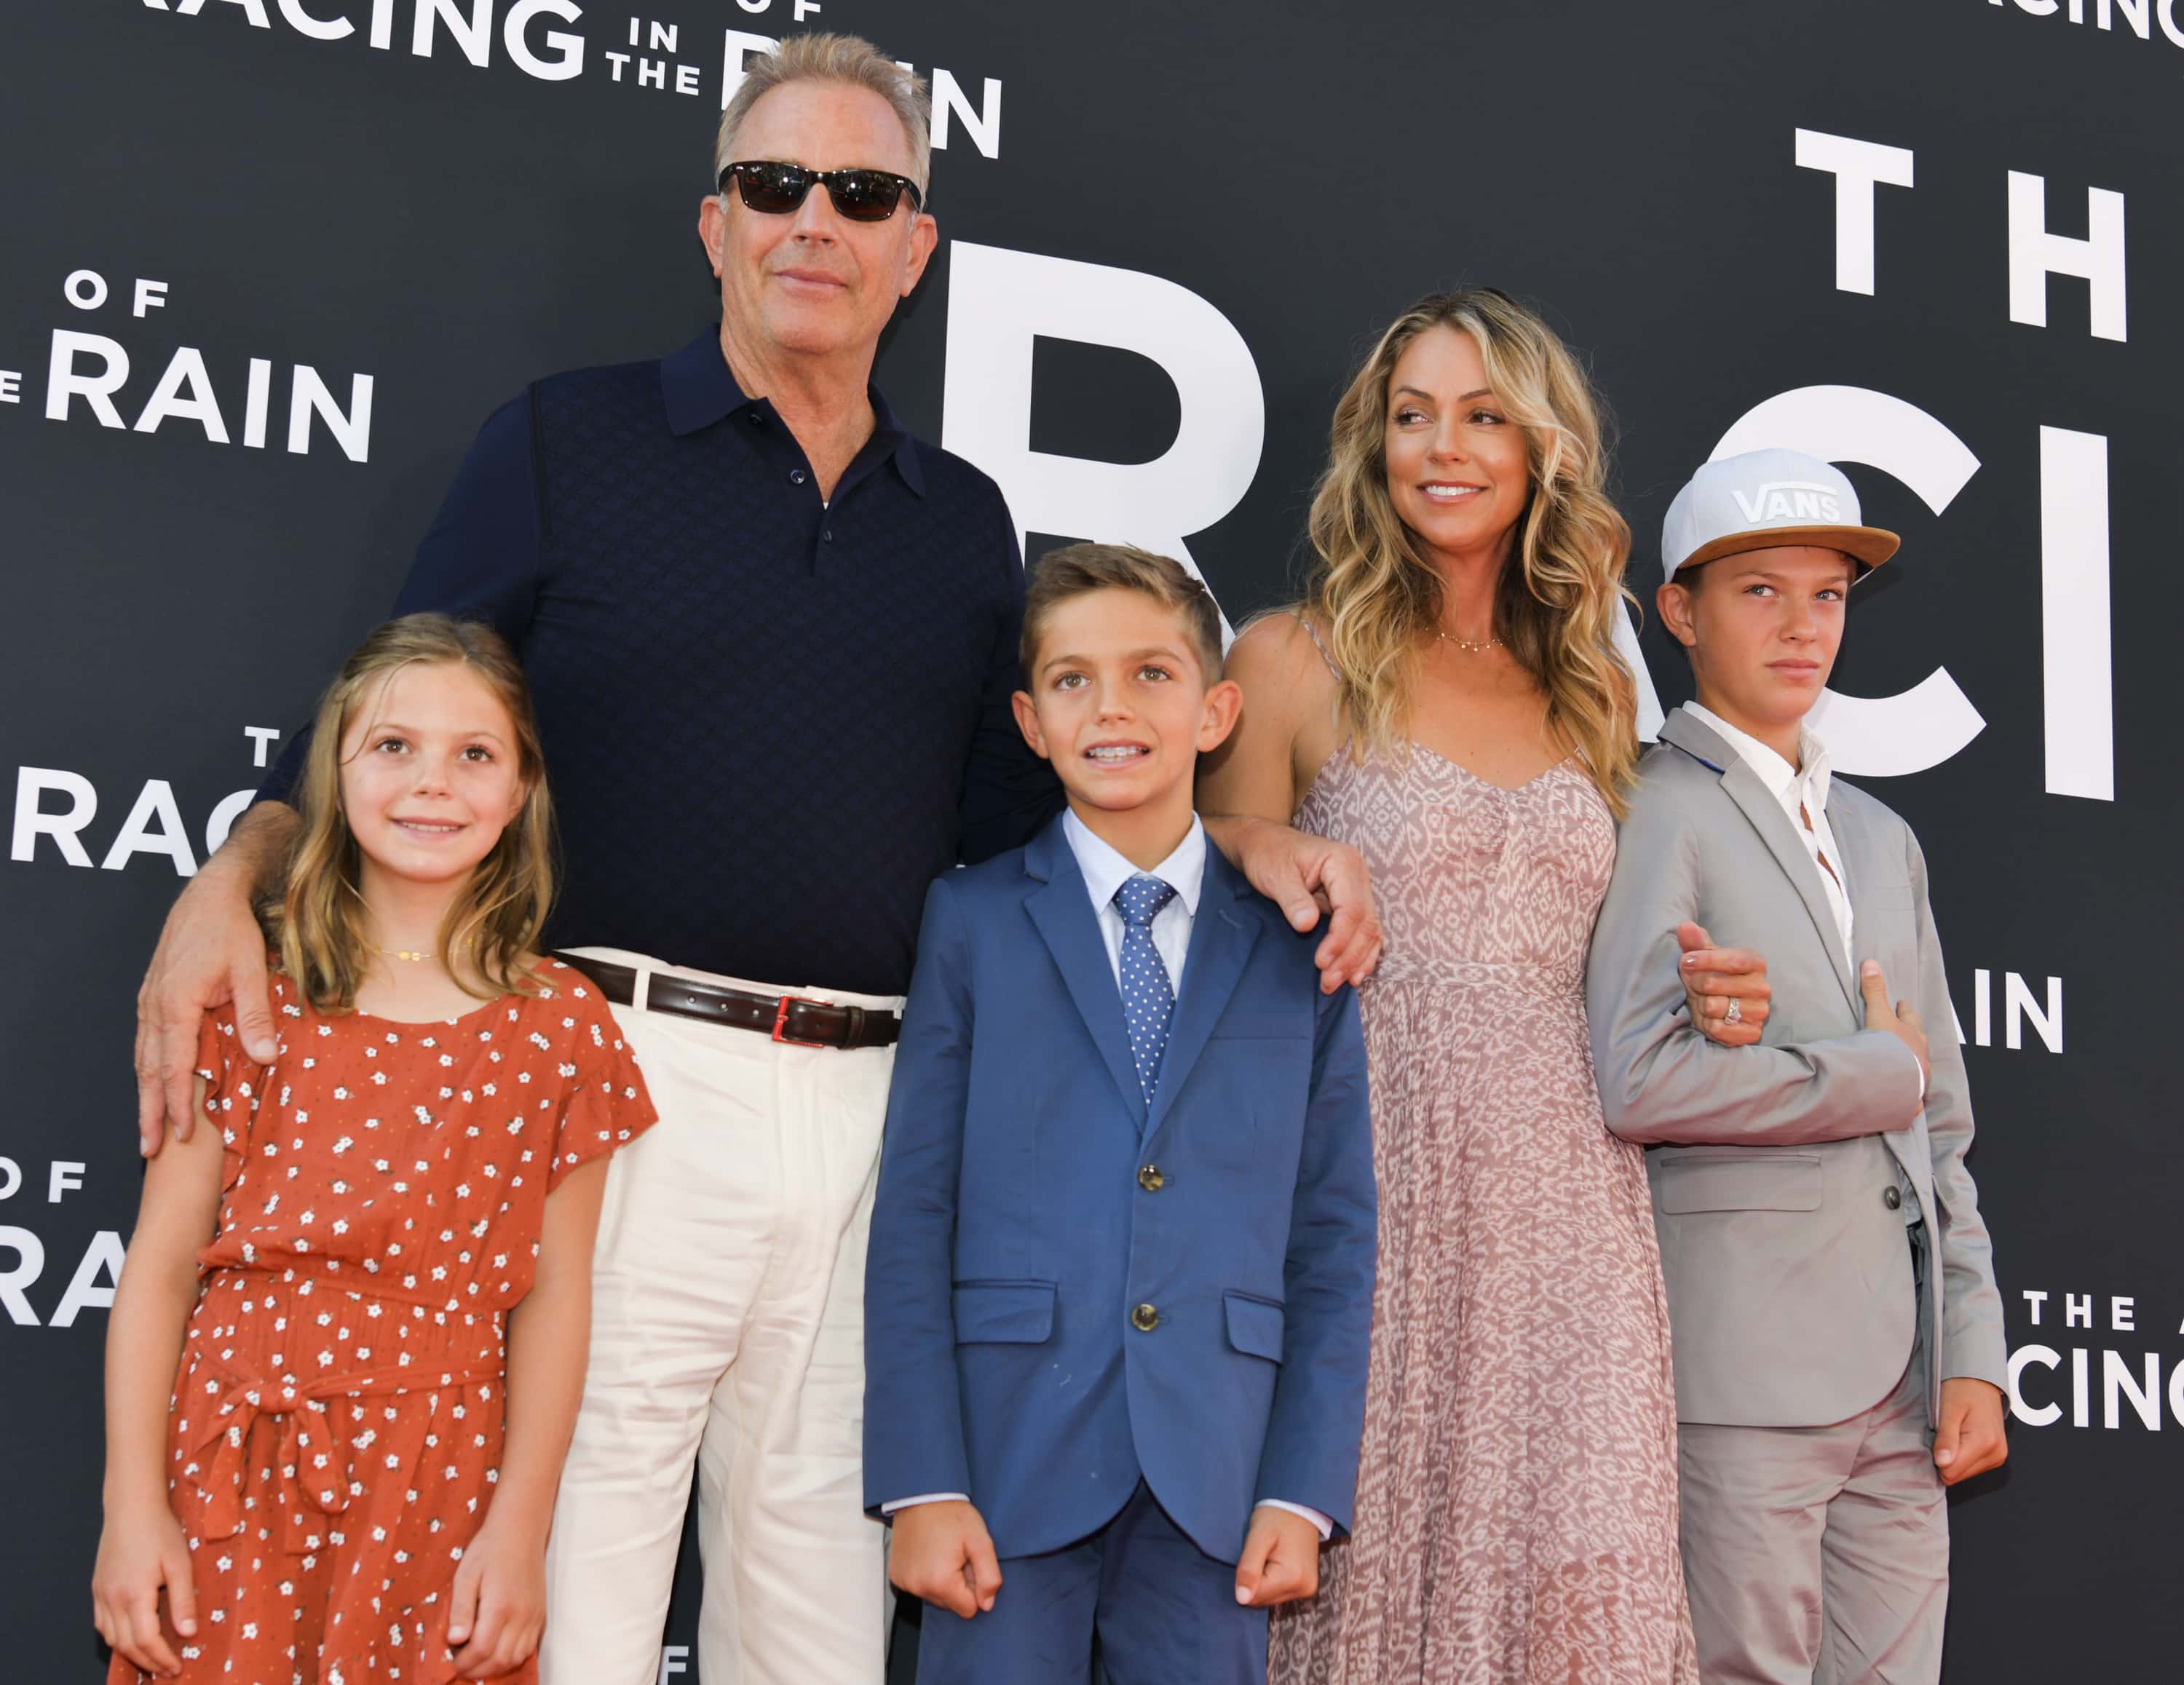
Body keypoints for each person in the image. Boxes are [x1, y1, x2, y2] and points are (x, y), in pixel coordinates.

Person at [125, 34, 1380, 1684]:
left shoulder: (961, 522)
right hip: (615, 1079)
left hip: (878, 1113)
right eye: (774, 184)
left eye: (864, 193)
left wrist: (1239, 833)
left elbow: (1032, 839)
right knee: (571, 1605)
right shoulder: (568, 443)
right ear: (714, 221)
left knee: (819, 1633)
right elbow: (388, 717)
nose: (816, 221)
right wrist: (232, 878)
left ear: (915, 250)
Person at [1203, 290, 1770, 1682]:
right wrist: (1268, 837)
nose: (1441, 448)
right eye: (1412, 416)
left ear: (1540, 454)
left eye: (1481, 416)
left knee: (1576, 1559)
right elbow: (1176, 864)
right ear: (1372, 447)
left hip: (1576, 1204)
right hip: (1368, 1166)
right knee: (1372, 1558)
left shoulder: (1598, 695)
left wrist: (1709, 1001)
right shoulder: (1293, 656)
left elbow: (1620, 952)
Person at [92, 615, 656, 1685]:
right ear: (334, 770)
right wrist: (133, 1509)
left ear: (523, 786)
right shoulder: (249, 992)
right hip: (234, 1465)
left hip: (438, 1485)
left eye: (474, 754)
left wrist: (519, 1533)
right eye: (394, 747)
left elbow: (557, 1297)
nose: (431, 784)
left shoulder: (564, 1024)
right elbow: (161, 1270)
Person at [863, 545, 1377, 1685]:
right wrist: (922, 1478)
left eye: (1151, 674)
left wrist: (1302, 1485)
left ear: (1216, 711)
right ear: (1030, 722)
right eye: (1072, 680)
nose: (1113, 708)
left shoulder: (1297, 942)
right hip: (1003, 1469)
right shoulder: (974, 920)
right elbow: (913, 1212)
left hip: (1219, 1476)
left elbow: (1334, 1233)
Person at [1585, 448, 2009, 1684]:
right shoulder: (1644, 804)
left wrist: (1972, 1345)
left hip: (1904, 1375)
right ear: (1680, 610)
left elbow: (1944, 1131)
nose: (1802, 625)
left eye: (1824, 595)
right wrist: (1868, 1074)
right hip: (1741, 1372)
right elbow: (1639, 1080)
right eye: (1760, 591)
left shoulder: (1885, 838)